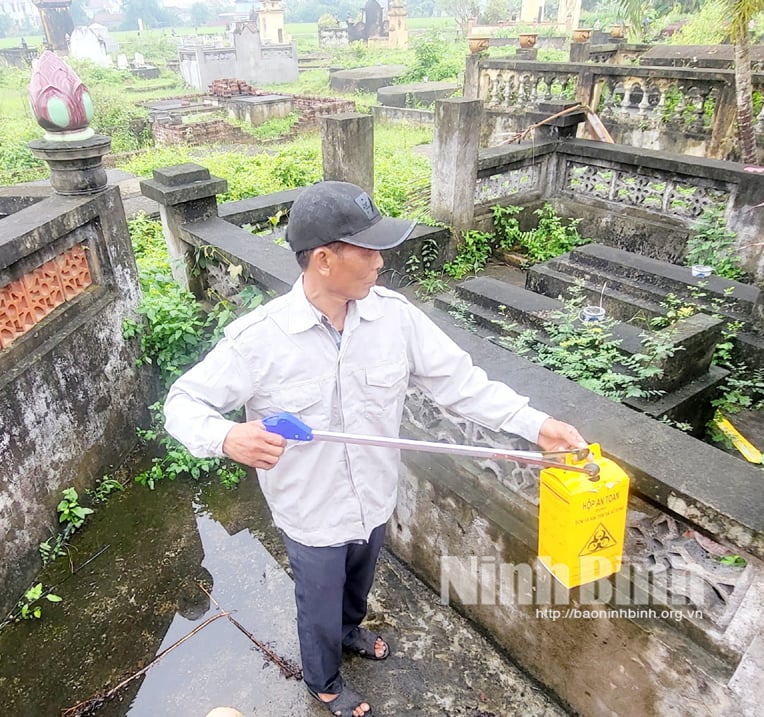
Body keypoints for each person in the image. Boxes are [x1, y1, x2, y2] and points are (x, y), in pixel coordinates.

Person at [164, 181, 587, 717]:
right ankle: (323, 681)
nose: (381, 262)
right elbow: (181, 404)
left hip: (373, 498)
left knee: (357, 587)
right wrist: (227, 437)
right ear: (323, 259)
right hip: (310, 512)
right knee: (317, 605)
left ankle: (350, 632)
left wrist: (537, 425)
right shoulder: (258, 340)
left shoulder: (395, 318)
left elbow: (462, 383)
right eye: (367, 250)